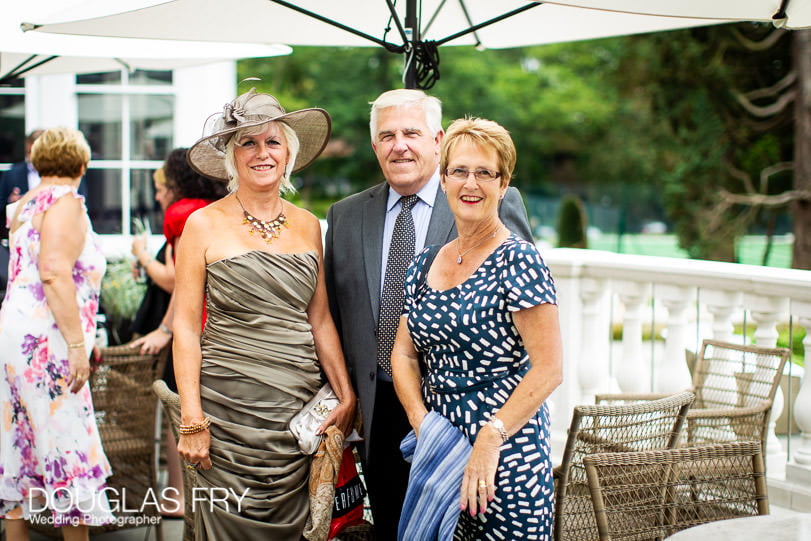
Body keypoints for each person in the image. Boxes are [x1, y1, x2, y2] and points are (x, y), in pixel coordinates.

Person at [323, 89, 533, 540]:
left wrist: (498, 429)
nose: (400, 145)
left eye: (411, 133)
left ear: (437, 140)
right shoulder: (344, 217)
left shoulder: (488, 199)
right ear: (374, 145)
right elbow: (337, 319)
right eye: (387, 135)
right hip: (378, 416)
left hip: (467, 423)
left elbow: (528, 329)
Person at [175, 88, 356, 538]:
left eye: (272, 142)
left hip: (295, 414)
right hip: (225, 414)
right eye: (248, 143)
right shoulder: (202, 224)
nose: (262, 153)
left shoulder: (308, 224)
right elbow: (183, 326)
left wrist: (345, 392)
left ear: (289, 153)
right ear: (230, 157)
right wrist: (193, 418)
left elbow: (320, 319)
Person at [391, 117, 562, 540]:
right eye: (460, 171)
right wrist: (421, 421)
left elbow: (549, 369)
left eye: (485, 173)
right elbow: (404, 355)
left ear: (503, 185)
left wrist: (492, 434)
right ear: (444, 179)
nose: (472, 183)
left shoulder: (519, 260)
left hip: (504, 456)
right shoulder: (424, 263)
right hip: (438, 450)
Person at [0, 127, 114, 539]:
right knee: (66, 440)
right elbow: (52, 271)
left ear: (38, 162)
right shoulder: (66, 204)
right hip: (47, 339)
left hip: (16, 334)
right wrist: (78, 345)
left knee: (19, 438)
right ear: (82, 165)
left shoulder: (25, 205)